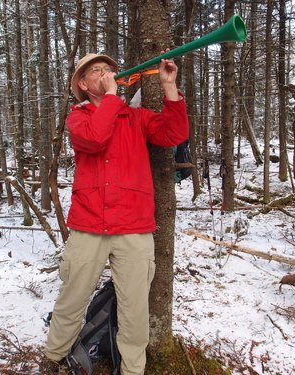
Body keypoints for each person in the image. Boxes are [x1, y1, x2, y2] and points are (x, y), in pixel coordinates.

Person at [41, 52, 189, 375]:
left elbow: (174, 133)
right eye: (96, 71)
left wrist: (169, 87)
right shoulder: (78, 118)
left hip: (134, 227)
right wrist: (110, 97)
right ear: (83, 84)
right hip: (88, 224)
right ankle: (52, 360)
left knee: (135, 313)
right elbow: (95, 137)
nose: (105, 74)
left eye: (108, 69)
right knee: (71, 300)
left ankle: (133, 371)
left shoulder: (134, 118)